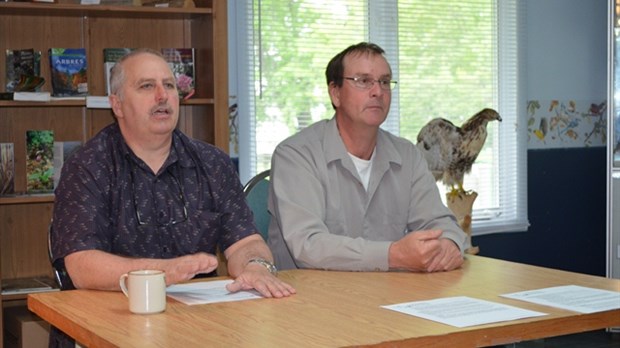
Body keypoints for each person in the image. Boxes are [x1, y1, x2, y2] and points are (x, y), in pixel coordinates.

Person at [50, 49, 295, 346]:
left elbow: (245, 241)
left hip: (201, 325)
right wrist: (163, 272)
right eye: (146, 86)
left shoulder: (212, 163)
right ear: (117, 104)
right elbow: (81, 266)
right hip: (110, 323)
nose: (162, 96)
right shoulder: (88, 165)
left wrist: (256, 266)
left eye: (169, 85)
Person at [268, 42, 466, 273]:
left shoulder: (407, 155)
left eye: (384, 82)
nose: (378, 91)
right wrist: (393, 255)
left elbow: (441, 224)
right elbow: (308, 246)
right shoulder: (296, 155)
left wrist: (449, 244)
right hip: (308, 297)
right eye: (363, 81)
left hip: (386, 293)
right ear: (335, 93)